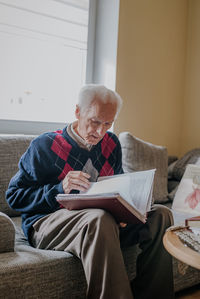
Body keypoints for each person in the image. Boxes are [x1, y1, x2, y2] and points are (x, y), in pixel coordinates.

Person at [6, 84, 174, 299]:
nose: (100, 131)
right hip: (46, 223)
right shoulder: (44, 145)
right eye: (94, 121)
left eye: (108, 123)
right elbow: (14, 197)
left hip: (101, 221)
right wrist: (59, 188)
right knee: (99, 218)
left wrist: (127, 209)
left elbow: (117, 185)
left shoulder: (111, 143)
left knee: (161, 215)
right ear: (78, 112)